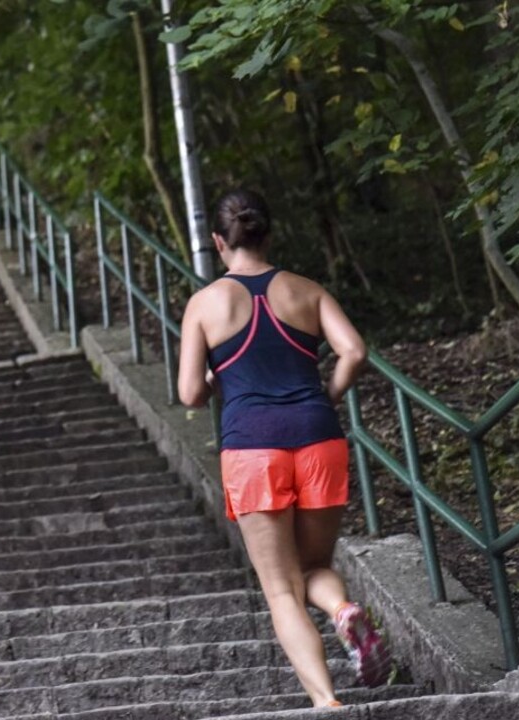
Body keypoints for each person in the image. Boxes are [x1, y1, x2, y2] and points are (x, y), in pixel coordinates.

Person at [177, 189, 390, 707]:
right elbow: (354, 350)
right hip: (317, 437)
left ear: (217, 242)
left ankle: (326, 700)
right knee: (314, 566)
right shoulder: (306, 291)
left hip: (252, 448)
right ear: (267, 233)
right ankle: (340, 609)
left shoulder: (205, 304)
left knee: (281, 590)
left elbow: (188, 393)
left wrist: (213, 374)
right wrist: (329, 395)